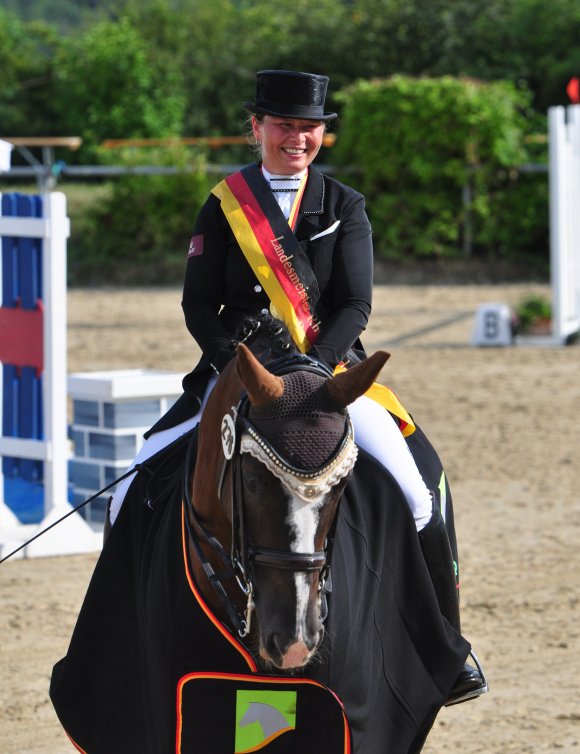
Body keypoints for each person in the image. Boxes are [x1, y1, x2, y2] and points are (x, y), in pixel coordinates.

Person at [108, 69, 486, 706]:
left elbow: (356, 304)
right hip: (242, 377)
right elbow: (197, 304)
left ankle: (447, 649)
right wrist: (237, 362)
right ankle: (122, 642)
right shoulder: (225, 203)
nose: (297, 138)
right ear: (257, 128)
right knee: (130, 489)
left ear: (321, 135)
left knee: (419, 493)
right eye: (284, 125)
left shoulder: (344, 206)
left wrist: (316, 368)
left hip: (328, 376)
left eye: (309, 128)